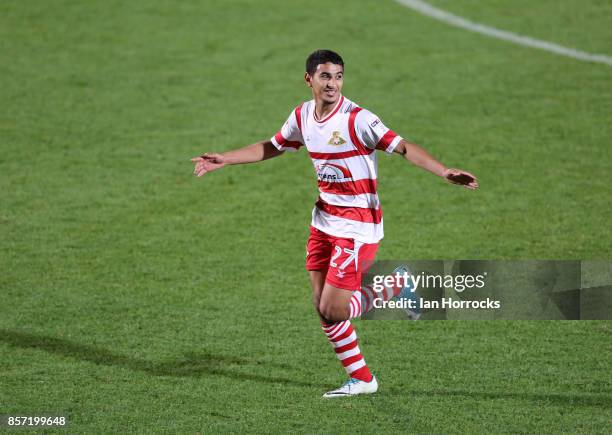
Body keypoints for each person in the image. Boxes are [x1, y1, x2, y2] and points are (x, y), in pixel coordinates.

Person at [191, 49, 478, 397]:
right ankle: (363, 380)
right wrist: (227, 159)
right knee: (322, 308)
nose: (333, 83)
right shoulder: (302, 115)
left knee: (335, 308)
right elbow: (275, 146)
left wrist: (443, 170)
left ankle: (396, 284)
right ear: (309, 79)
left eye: (338, 76)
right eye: (326, 76)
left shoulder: (358, 119)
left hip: (356, 226)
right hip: (324, 220)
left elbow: (403, 148)